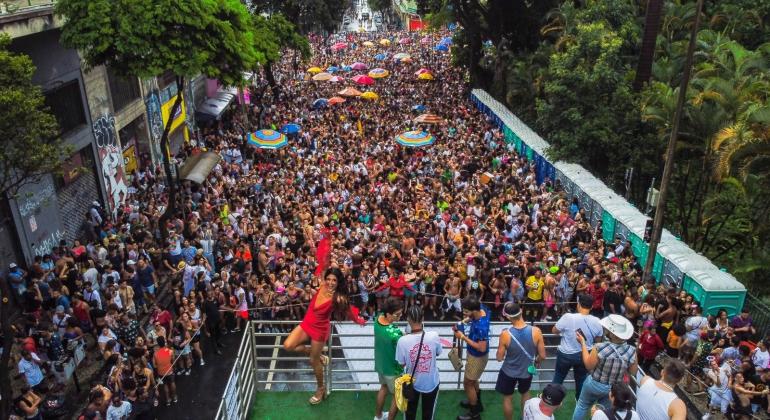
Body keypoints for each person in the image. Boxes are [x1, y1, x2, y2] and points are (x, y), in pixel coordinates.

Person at [282, 267, 366, 405]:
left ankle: (320, 388)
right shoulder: (321, 286)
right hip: (307, 323)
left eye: (334, 280)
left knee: (313, 362)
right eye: (328, 279)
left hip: (320, 329)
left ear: (338, 282)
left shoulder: (338, 297)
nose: (331, 282)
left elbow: (349, 312)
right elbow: (322, 259)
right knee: (288, 345)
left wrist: (359, 321)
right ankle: (319, 356)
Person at [572, 314, 638, 420]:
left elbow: (588, 366)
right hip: (614, 389)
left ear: (611, 333)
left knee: (582, 406)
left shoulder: (599, 347)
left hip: (594, 384)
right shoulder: (632, 350)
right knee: (606, 411)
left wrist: (583, 343)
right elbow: (633, 372)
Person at [496, 302, 546, 420]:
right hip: (526, 371)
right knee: (525, 394)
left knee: (507, 398)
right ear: (521, 311)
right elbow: (543, 355)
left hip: (508, 372)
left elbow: (499, 358)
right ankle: (525, 418)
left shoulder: (505, 334)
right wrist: (537, 360)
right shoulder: (536, 331)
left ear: (508, 317)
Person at [552, 293, 604, 400]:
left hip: (565, 355)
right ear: (592, 306)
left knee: (558, 378)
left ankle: (551, 398)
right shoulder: (598, 321)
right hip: (585, 355)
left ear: (578, 304)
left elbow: (554, 331)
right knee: (581, 380)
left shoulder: (568, 317)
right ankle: (579, 401)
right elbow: (598, 340)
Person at [396, 305, 442, 420]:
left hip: (411, 383)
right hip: (431, 382)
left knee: (410, 414)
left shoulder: (402, 341)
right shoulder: (434, 336)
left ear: (408, 320)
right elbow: (438, 353)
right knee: (428, 414)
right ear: (422, 318)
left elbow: (401, 364)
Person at [455, 295, 491, 420]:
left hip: (477, 357)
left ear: (474, 310)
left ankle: (474, 413)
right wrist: (464, 321)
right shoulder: (483, 309)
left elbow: (481, 347)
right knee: (473, 380)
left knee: (468, 383)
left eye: (466, 311)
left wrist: (462, 337)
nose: (464, 313)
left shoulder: (481, 327)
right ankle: (477, 403)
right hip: (476, 355)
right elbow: (473, 315)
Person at [374, 297, 404, 420]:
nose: (400, 316)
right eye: (397, 315)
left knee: (383, 388)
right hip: (393, 369)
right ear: (388, 314)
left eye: (401, 313)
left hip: (381, 365)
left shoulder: (377, 319)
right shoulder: (395, 333)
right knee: (397, 396)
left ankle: (378, 416)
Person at [152, 337, 177, 407]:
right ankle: (174, 397)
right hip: (170, 371)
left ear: (158, 344)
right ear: (164, 342)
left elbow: (154, 365)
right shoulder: (170, 351)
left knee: (165, 386)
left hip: (161, 373)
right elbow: (173, 361)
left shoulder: (155, 354)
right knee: (172, 383)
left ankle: (168, 399)